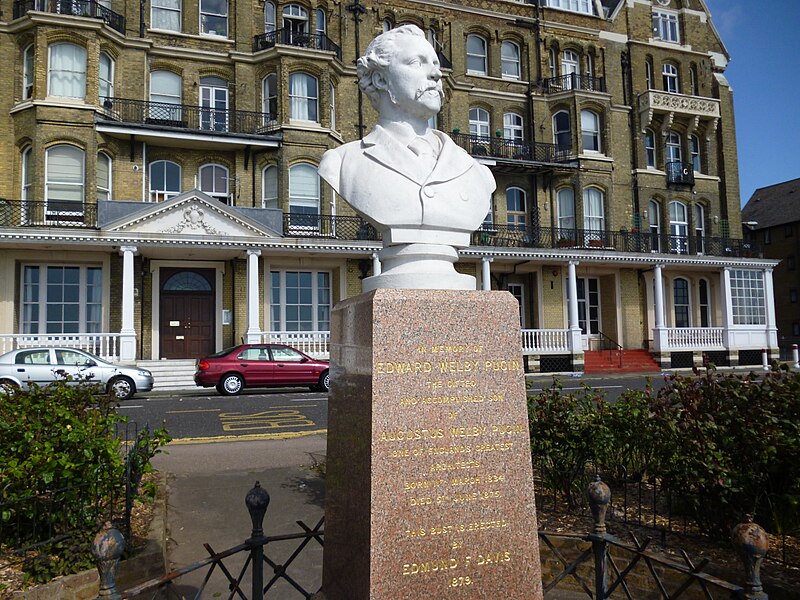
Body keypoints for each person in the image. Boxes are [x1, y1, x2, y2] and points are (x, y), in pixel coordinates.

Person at [318, 24, 496, 290]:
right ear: (380, 79)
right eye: (417, 63)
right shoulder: (343, 163)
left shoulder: (477, 173)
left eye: (436, 64)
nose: (436, 74)